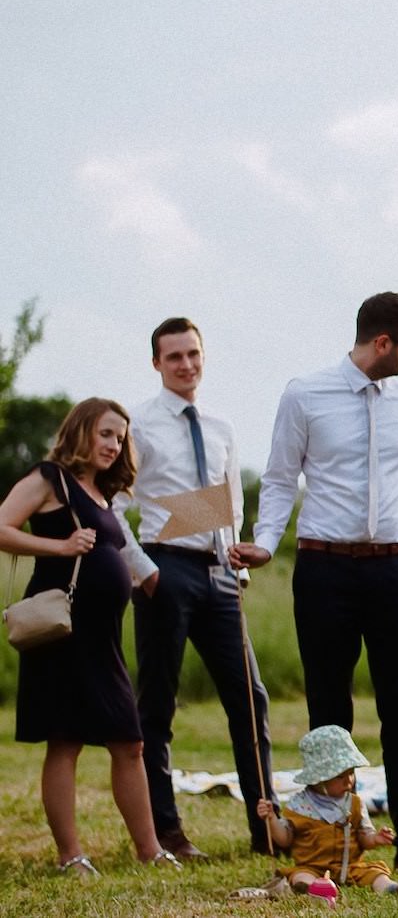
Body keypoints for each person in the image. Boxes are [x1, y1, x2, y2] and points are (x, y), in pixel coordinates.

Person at [230, 291, 398, 887]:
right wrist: (266, 541)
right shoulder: (305, 393)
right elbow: (278, 478)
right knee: (329, 713)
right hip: (325, 570)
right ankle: (327, 846)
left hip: (395, 572)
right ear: (383, 342)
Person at [114, 317, 275, 859]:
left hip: (220, 573)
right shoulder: (136, 424)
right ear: (157, 363)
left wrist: (239, 567)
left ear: (204, 356)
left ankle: (265, 826)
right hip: (164, 570)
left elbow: (229, 504)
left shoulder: (222, 424)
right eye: (174, 356)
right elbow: (116, 510)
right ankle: (167, 832)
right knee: (157, 705)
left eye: (193, 354)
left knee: (250, 699)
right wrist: (146, 571)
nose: (186, 364)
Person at [0, 398, 183, 875]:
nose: (113, 444)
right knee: (65, 741)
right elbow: (1, 526)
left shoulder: (103, 492)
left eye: (120, 438)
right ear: (81, 430)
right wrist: (58, 545)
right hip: (63, 635)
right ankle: (71, 856)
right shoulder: (49, 479)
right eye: (105, 434)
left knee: (131, 742)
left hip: (103, 641)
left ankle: (150, 849)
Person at [256, 725, 398, 896]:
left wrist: (375, 839)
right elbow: (284, 839)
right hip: (312, 868)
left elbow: (363, 837)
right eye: (340, 776)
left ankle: (395, 889)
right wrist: (271, 819)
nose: (349, 781)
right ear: (319, 779)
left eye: (351, 773)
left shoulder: (354, 804)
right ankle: (311, 889)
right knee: (300, 875)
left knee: (376, 874)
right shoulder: (299, 805)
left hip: (351, 868)